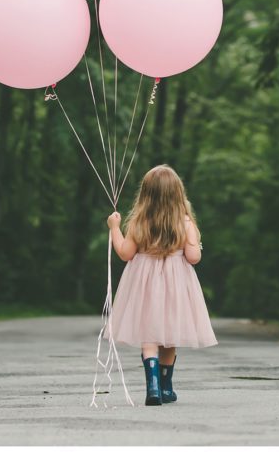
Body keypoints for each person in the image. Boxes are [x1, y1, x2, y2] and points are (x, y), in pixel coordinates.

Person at [108, 163, 215, 406]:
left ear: (145, 194)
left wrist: (114, 228)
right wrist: (195, 240)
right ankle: (166, 387)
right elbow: (193, 258)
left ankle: (152, 387)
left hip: (144, 282)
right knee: (170, 333)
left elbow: (125, 253)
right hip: (175, 283)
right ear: (179, 193)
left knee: (149, 333)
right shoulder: (186, 224)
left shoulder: (139, 223)